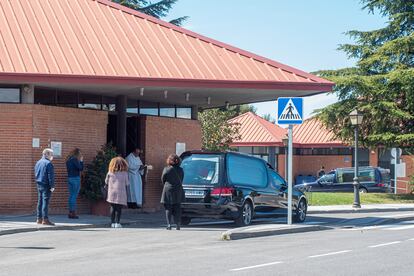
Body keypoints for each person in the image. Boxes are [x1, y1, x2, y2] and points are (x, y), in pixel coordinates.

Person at [160, 154, 184, 230]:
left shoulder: (167, 169)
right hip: (178, 189)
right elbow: (182, 179)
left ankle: (169, 224)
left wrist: (167, 185)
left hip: (168, 190)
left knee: (168, 208)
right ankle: (178, 224)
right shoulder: (181, 170)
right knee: (177, 207)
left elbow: (163, 179)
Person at [105, 157, 129, 228]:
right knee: (119, 209)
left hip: (111, 192)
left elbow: (106, 181)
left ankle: (112, 223)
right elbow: (127, 183)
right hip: (121, 193)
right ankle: (117, 223)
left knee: (112, 207)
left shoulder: (110, 172)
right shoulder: (124, 173)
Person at [34, 148, 55, 226]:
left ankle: (39, 219)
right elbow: (50, 175)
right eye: (51, 155)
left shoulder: (38, 162)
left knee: (40, 201)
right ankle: (45, 219)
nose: (52, 156)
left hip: (39, 183)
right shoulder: (48, 163)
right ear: (46, 154)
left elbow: (36, 173)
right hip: (46, 184)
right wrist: (52, 186)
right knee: (45, 202)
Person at [65, 148, 84, 219]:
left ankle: (70, 212)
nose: (80, 155)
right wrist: (81, 161)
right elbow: (80, 168)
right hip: (75, 178)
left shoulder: (68, 160)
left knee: (71, 196)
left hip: (69, 178)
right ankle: (73, 213)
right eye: (80, 153)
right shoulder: (74, 160)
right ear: (77, 153)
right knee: (74, 196)